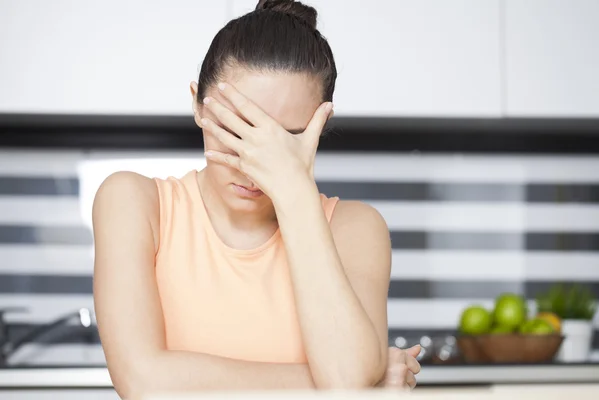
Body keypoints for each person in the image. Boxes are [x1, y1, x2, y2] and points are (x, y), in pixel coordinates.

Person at [92, 1, 420, 398]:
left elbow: (347, 381)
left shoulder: (355, 228)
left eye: (286, 139)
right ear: (197, 105)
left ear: (319, 128)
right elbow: (144, 382)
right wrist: (354, 379)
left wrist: (294, 191)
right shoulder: (134, 203)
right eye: (236, 130)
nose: (254, 165)